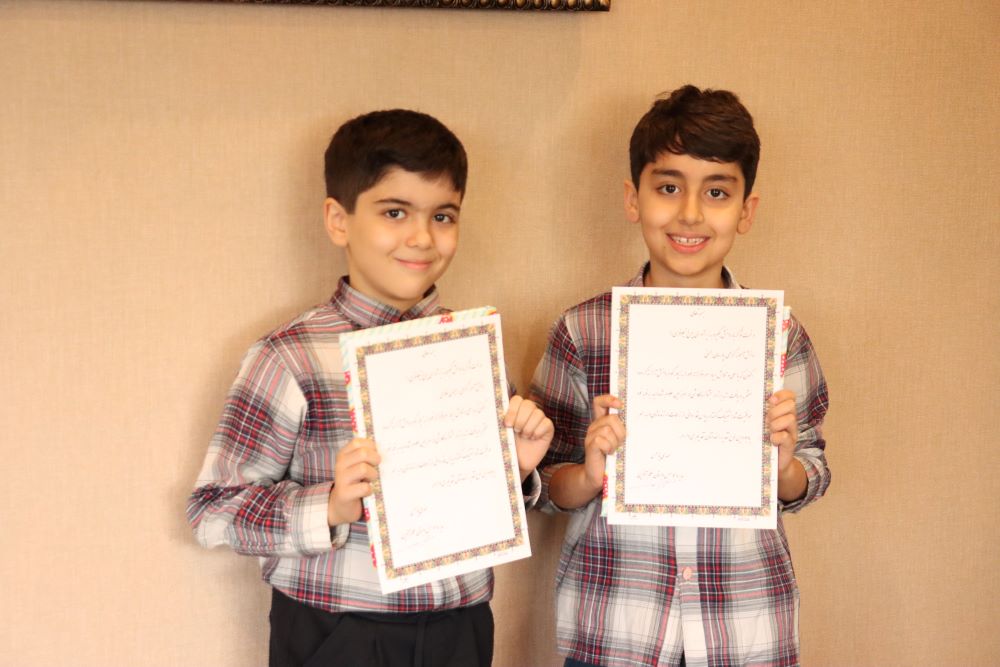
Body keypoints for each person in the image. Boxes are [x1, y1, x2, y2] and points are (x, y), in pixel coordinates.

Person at [187, 109, 553, 667]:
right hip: (336, 632)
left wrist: (516, 469)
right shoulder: (289, 357)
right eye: (394, 212)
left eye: (443, 216)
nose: (422, 237)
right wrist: (330, 505)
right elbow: (211, 511)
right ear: (339, 220)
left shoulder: (473, 349)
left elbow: (475, 503)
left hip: (460, 628)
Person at [529, 85, 831, 667]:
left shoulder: (780, 335)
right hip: (616, 628)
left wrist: (785, 467)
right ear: (633, 199)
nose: (690, 213)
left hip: (743, 628)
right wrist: (589, 474)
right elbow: (543, 484)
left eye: (716, 192)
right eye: (668, 188)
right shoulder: (583, 331)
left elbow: (811, 473)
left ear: (746, 211)